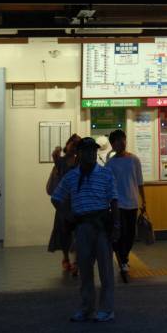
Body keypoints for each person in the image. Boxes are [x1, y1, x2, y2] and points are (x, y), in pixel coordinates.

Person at [51, 137, 120, 323]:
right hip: (82, 228)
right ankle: (86, 308)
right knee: (85, 271)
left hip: (101, 227)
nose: (90, 154)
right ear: (79, 153)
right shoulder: (72, 176)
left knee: (106, 271)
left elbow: (114, 200)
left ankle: (106, 309)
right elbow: (56, 198)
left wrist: (116, 225)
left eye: (93, 150)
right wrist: (67, 215)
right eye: (86, 150)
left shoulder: (106, 174)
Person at [105, 130, 145, 283]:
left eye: (122, 140)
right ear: (112, 144)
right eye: (117, 141)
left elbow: (140, 182)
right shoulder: (110, 164)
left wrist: (144, 201)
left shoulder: (134, 160)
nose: (121, 143)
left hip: (133, 203)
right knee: (120, 234)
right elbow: (108, 186)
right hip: (117, 204)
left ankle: (123, 257)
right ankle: (123, 261)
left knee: (130, 235)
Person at [48, 133, 81, 274]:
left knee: (78, 232)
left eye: (77, 144)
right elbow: (55, 155)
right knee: (64, 233)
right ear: (67, 144)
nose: (74, 146)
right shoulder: (60, 161)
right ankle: (66, 257)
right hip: (62, 202)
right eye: (72, 143)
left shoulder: (80, 161)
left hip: (77, 201)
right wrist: (56, 149)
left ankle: (76, 262)